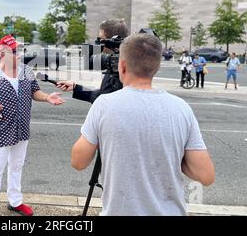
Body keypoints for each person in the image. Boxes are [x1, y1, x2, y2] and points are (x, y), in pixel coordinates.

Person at [71, 33, 215, 216]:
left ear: (122, 66)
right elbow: (206, 176)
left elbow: (78, 161)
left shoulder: (104, 105)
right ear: (157, 67)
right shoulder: (182, 108)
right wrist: (176, 157)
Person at [0, 35, 65, 216]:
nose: (19, 54)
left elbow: (34, 91)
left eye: (19, 50)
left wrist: (47, 97)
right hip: (1, 129)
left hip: (22, 128)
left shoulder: (26, 71)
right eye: (14, 51)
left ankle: (15, 202)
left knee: (17, 166)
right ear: (2, 52)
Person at [56, 20, 130, 103]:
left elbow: (104, 100)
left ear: (113, 40)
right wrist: (75, 87)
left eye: (101, 39)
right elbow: (103, 95)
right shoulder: (114, 61)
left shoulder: (123, 65)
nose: (99, 43)